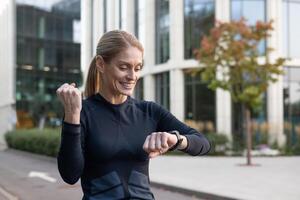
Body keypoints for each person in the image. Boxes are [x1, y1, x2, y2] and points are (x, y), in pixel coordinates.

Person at [56, 30, 211, 200]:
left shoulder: (149, 111)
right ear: (101, 64)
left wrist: (176, 140)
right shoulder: (82, 112)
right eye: (123, 67)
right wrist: (72, 117)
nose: (132, 76)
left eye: (137, 68)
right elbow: (70, 175)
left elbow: (202, 143)